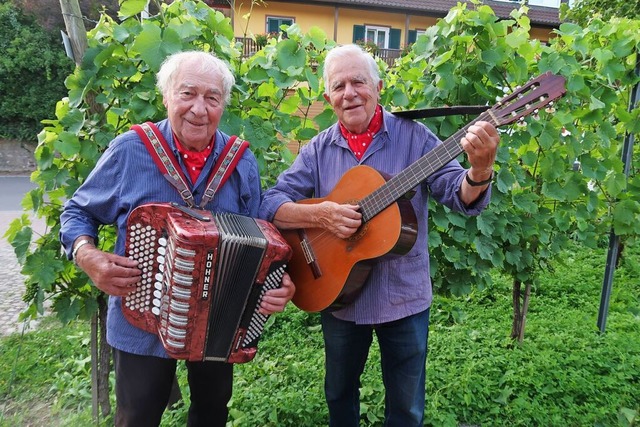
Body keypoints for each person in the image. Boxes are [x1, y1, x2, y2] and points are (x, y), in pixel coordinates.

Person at [259, 44, 500, 426]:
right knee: (339, 393)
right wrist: (320, 214)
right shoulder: (318, 149)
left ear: (379, 86)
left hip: (402, 297)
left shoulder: (415, 137)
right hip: (339, 296)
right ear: (328, 98)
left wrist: (481, 171)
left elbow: (458, 194)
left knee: (406, 406)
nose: (349, 93)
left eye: (358, 82)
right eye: (339, 86)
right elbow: (271, 201)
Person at [60, 50, 295, 427]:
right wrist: (87, 255)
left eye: (212, 98)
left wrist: (276, 281)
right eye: (187, 94)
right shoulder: (131, 150)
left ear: (223, 105)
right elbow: (76, 212)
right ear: (166, 96)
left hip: (218, 323)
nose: (199, 109)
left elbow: (261, 240)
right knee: (137, 415)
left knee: (212, 411)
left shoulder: (241, 162)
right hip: (141, 321)